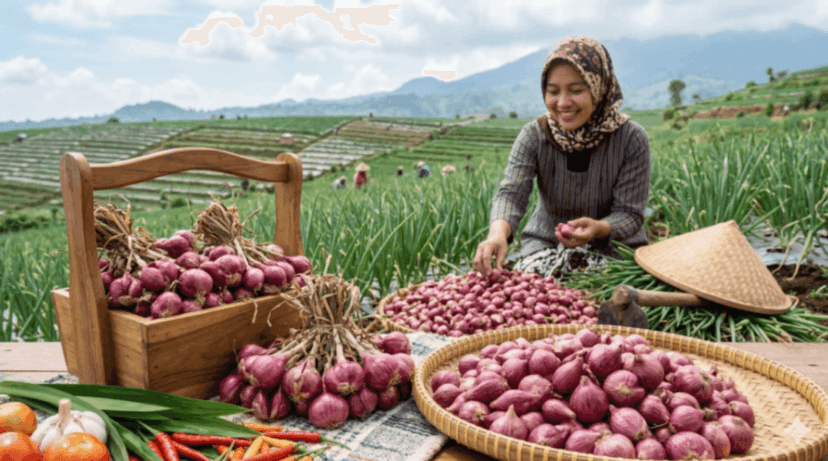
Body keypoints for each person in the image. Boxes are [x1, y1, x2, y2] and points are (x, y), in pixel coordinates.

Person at [473, 36, 651, 278]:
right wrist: (497, 234)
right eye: (553, 91)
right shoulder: (534, 135)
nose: (563, 103)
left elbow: (630, 215)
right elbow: (511, 194)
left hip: (614, 250)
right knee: (533, 295)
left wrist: (597, 228)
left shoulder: (631, 139)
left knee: (608, 294)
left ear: (599, 87)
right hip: (546, 245)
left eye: (576, 90)